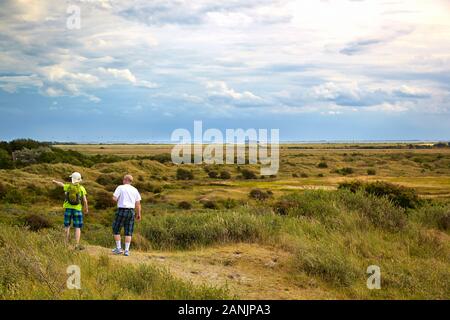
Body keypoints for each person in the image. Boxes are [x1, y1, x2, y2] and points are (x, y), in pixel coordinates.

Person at [52, 172, 88, 250]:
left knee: (67, 226)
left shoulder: (68, 186)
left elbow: (61, 184)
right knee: (77, 227)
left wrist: (55, 182)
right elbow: (85, 201)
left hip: (68, 208)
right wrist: (86, 209)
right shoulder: (82, 188)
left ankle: (65, 244)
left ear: (72, 179)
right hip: (77, 209)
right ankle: (76, 245)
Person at [111, 174, 142, 256]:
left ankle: (118, 248)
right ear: (131, 181)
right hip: (131, 211)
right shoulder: (135, 190)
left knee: (116, 228)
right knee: (128, 230)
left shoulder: (120, 187)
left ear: (124, 180)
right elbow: (138, 203)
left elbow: (114, 198)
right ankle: (127, 250)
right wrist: (138, 214)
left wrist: (119, 201)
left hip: (121, 210)